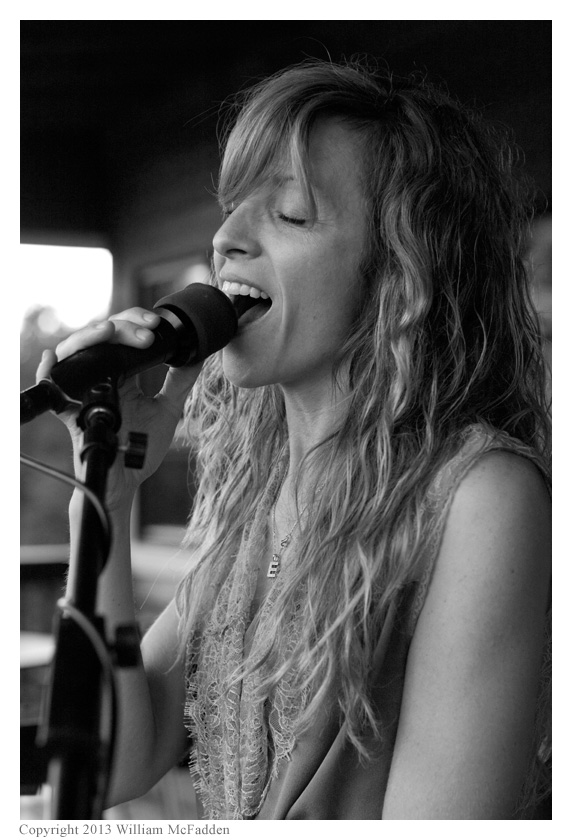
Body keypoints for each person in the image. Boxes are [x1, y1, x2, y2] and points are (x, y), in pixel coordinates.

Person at [37, 59, 551, 820]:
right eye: (231, 207)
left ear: (401, 274)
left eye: (290, 214)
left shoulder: (480, 499)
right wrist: (105, 493)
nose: (225, 238)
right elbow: (114, 767)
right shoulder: (259, 500)